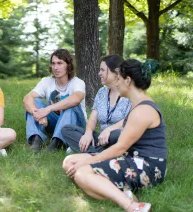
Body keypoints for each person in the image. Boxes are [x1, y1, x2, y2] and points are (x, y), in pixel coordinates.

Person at [62, 59, 165, 212]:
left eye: (118, 79)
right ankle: (123, 193)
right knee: (69, 161)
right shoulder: (138, 104)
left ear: (128, 80)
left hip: (148, 166)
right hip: (130, 157)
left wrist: (90, 162)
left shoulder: (143, 110)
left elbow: (120, 147)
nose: (116, 84)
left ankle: (132, 206)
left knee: (82, 173)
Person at [62, 55, 131, 154]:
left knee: (117, 134)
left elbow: (129, 121)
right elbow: (93, 118)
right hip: (101, 138)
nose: (99, 73)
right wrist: (88, 133)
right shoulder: (102, 91)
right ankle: (95, 152)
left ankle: (87, 150)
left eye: (102, 70)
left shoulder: (128, 92)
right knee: (67, 129)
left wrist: (109, 130)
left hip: (118, 136)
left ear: (116, 72)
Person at [23, 48, 86, 153]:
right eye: (53, 63)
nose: (56, 67)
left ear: (68, 65)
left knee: (71, 107)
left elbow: (76, 99)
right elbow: (27, 98)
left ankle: (57, 143)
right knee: (35, 102)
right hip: (54, 123)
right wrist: (38, 114)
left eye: (60, 63)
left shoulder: (77, 82)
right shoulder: (46, 82)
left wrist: (48, 109)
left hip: (75, 124)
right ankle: (36, 139)